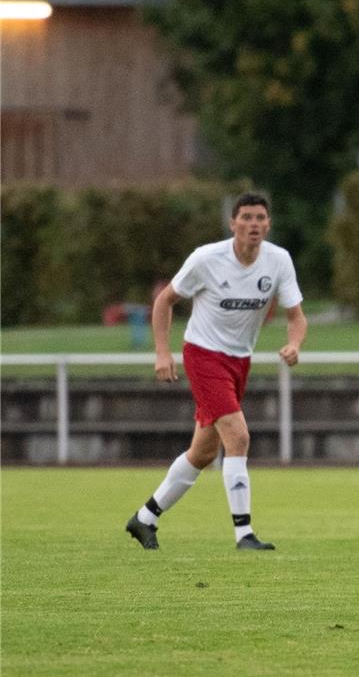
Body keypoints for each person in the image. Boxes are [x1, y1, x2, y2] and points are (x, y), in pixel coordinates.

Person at [125, 192, 307, 551]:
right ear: (233, 224)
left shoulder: (278, 261)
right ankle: (244, 534)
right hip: (203, 355)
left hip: (239, 361)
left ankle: (145, 518)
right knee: (237, 436)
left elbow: (296, 316)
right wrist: (163, 352)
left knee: (203, 452)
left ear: (268, 224)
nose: (254, 224)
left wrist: (294, 344)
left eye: (260, 218)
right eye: (247, 218)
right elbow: (164, 301)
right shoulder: (207, 259)